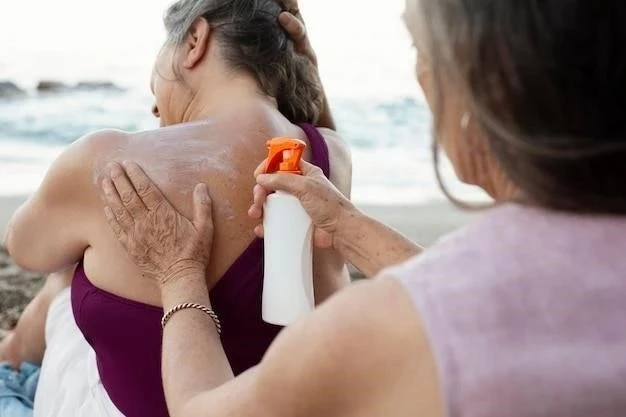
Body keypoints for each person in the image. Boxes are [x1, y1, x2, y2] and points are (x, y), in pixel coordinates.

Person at [100, 0, 626, 416]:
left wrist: (179, 273)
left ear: (493, 83)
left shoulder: (389, 327)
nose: (424, 80)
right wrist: (347, 225)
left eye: (422, 50)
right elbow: (508, 302)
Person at [3, 0, 351, 416]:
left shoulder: (102, 160)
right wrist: (307, 76)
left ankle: (10, 358)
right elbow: (318, 134)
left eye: (155, 86)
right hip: (267, 402)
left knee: (70, 261)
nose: (155, 108)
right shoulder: (330, 159)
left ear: (194, 40)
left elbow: (23, 248)